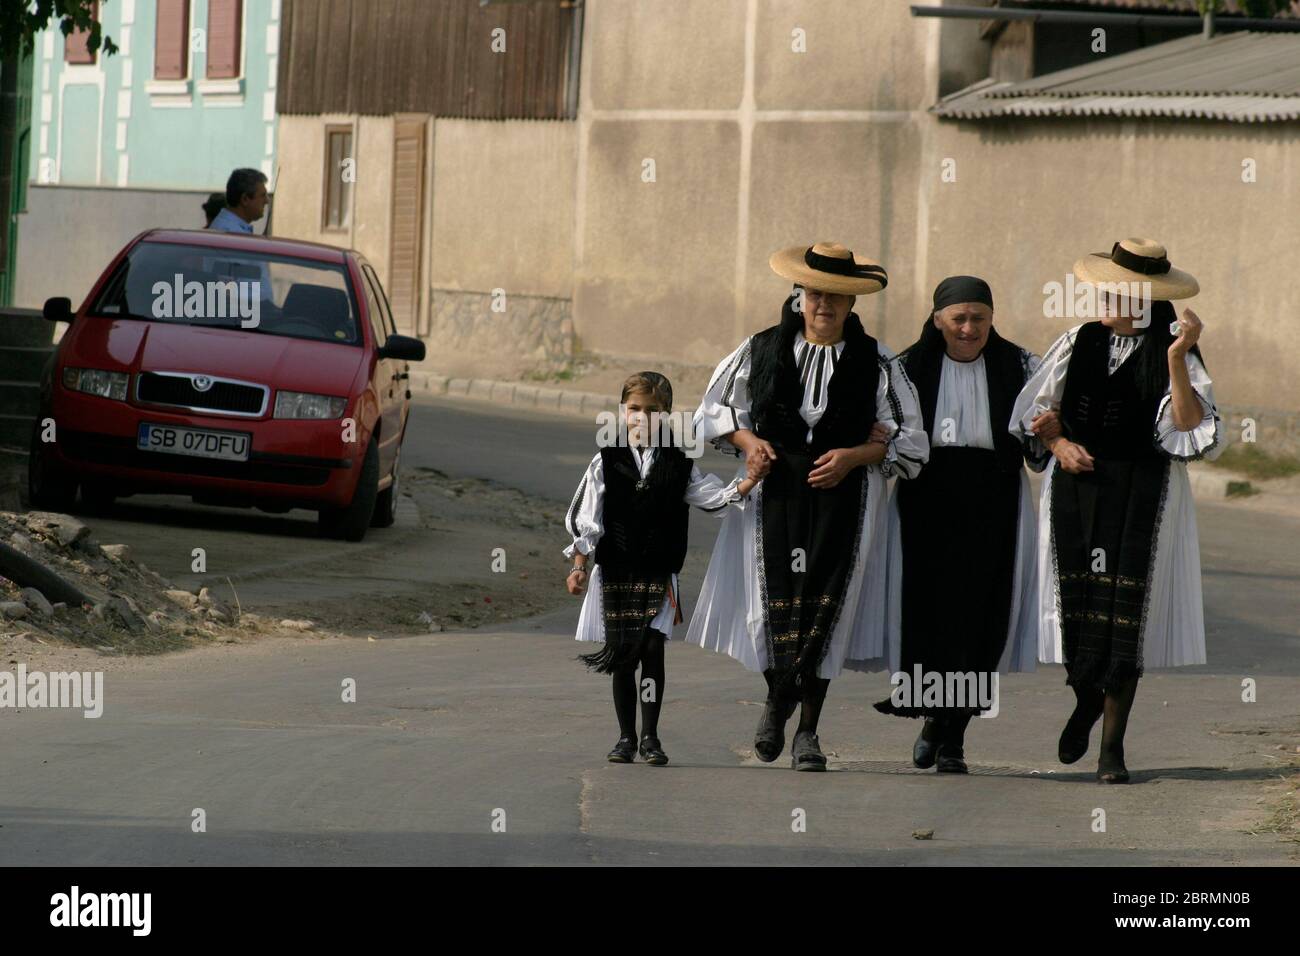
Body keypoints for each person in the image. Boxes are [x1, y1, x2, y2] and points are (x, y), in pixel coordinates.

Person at [689, 242, 928, 771]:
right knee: (772, 602)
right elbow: (714, 411)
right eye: (817, 293)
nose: (825, 305)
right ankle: (776, 701)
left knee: (826, 608)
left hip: (846, 500)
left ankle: (808, 731)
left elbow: (913, 442)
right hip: (774, 495)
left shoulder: (878, 360)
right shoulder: (762, 348)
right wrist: (751, 444)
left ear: (851, 304)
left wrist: (857, 455)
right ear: (800, 296)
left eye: (837, 297)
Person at [1010, 238, 1222, 784]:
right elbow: (1034, 411)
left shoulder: (1174, 349)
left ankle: (1112, 748)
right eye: (1106, 288)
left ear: (1147, 300)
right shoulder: (1077, 341)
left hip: (1145, 493)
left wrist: (1176, 358)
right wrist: (1058, 445)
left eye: (1120, 290)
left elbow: (1189, 427)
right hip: (1077, 490)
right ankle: (1084, 699)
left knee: (1126, 619)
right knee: (1075, 609)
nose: (1106, 297)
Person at [874, 276, 1059, 773]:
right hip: (926, 494)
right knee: (928, 611)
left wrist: (1049, 432)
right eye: (958, 318)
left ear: (991, 318)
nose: (969, 327)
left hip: (993, 497)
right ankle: (934, 714)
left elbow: (1039, 441)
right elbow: (889, 436)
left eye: (979, 317)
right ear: (938, 320)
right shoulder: (905, 369)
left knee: (980, 614)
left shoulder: (1022, 366)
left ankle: (954, 733)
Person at [564, 372, 767, 766]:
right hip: (616, 571)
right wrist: (578, 565)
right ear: (623, 411)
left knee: (652, 649)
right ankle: (624, 737)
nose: (642, 418)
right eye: (634, 409)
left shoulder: (678, 462)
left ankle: (650, 737)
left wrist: (748, 482)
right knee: (623, 654)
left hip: (658, 572)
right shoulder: (606, 459)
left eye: (652, 411)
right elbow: (589, 515)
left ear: (667, 415)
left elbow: (711, 497)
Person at [208, 168, 268, 234]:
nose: (267, 201)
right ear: (245, 199)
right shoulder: (232, 233)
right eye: (262, 195)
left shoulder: (228, 226)